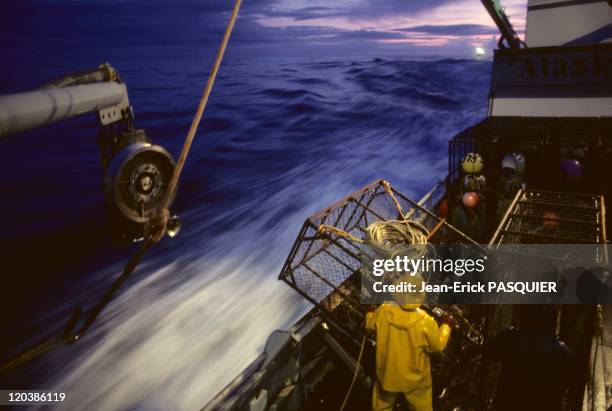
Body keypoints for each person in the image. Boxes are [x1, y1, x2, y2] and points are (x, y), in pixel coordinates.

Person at [366, 275, 453, 411]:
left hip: (387, 376)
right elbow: (436, 347)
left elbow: (370, 327)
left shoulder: (383, 310)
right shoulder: (426, 322)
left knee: (381, 405)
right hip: (416, 380)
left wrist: (370, 313)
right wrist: (446, 326)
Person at [485, 305, 573, 411]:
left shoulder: (510, 337)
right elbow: (566, 384)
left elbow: (490, 353)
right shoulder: (563, 351)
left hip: (509, 405)